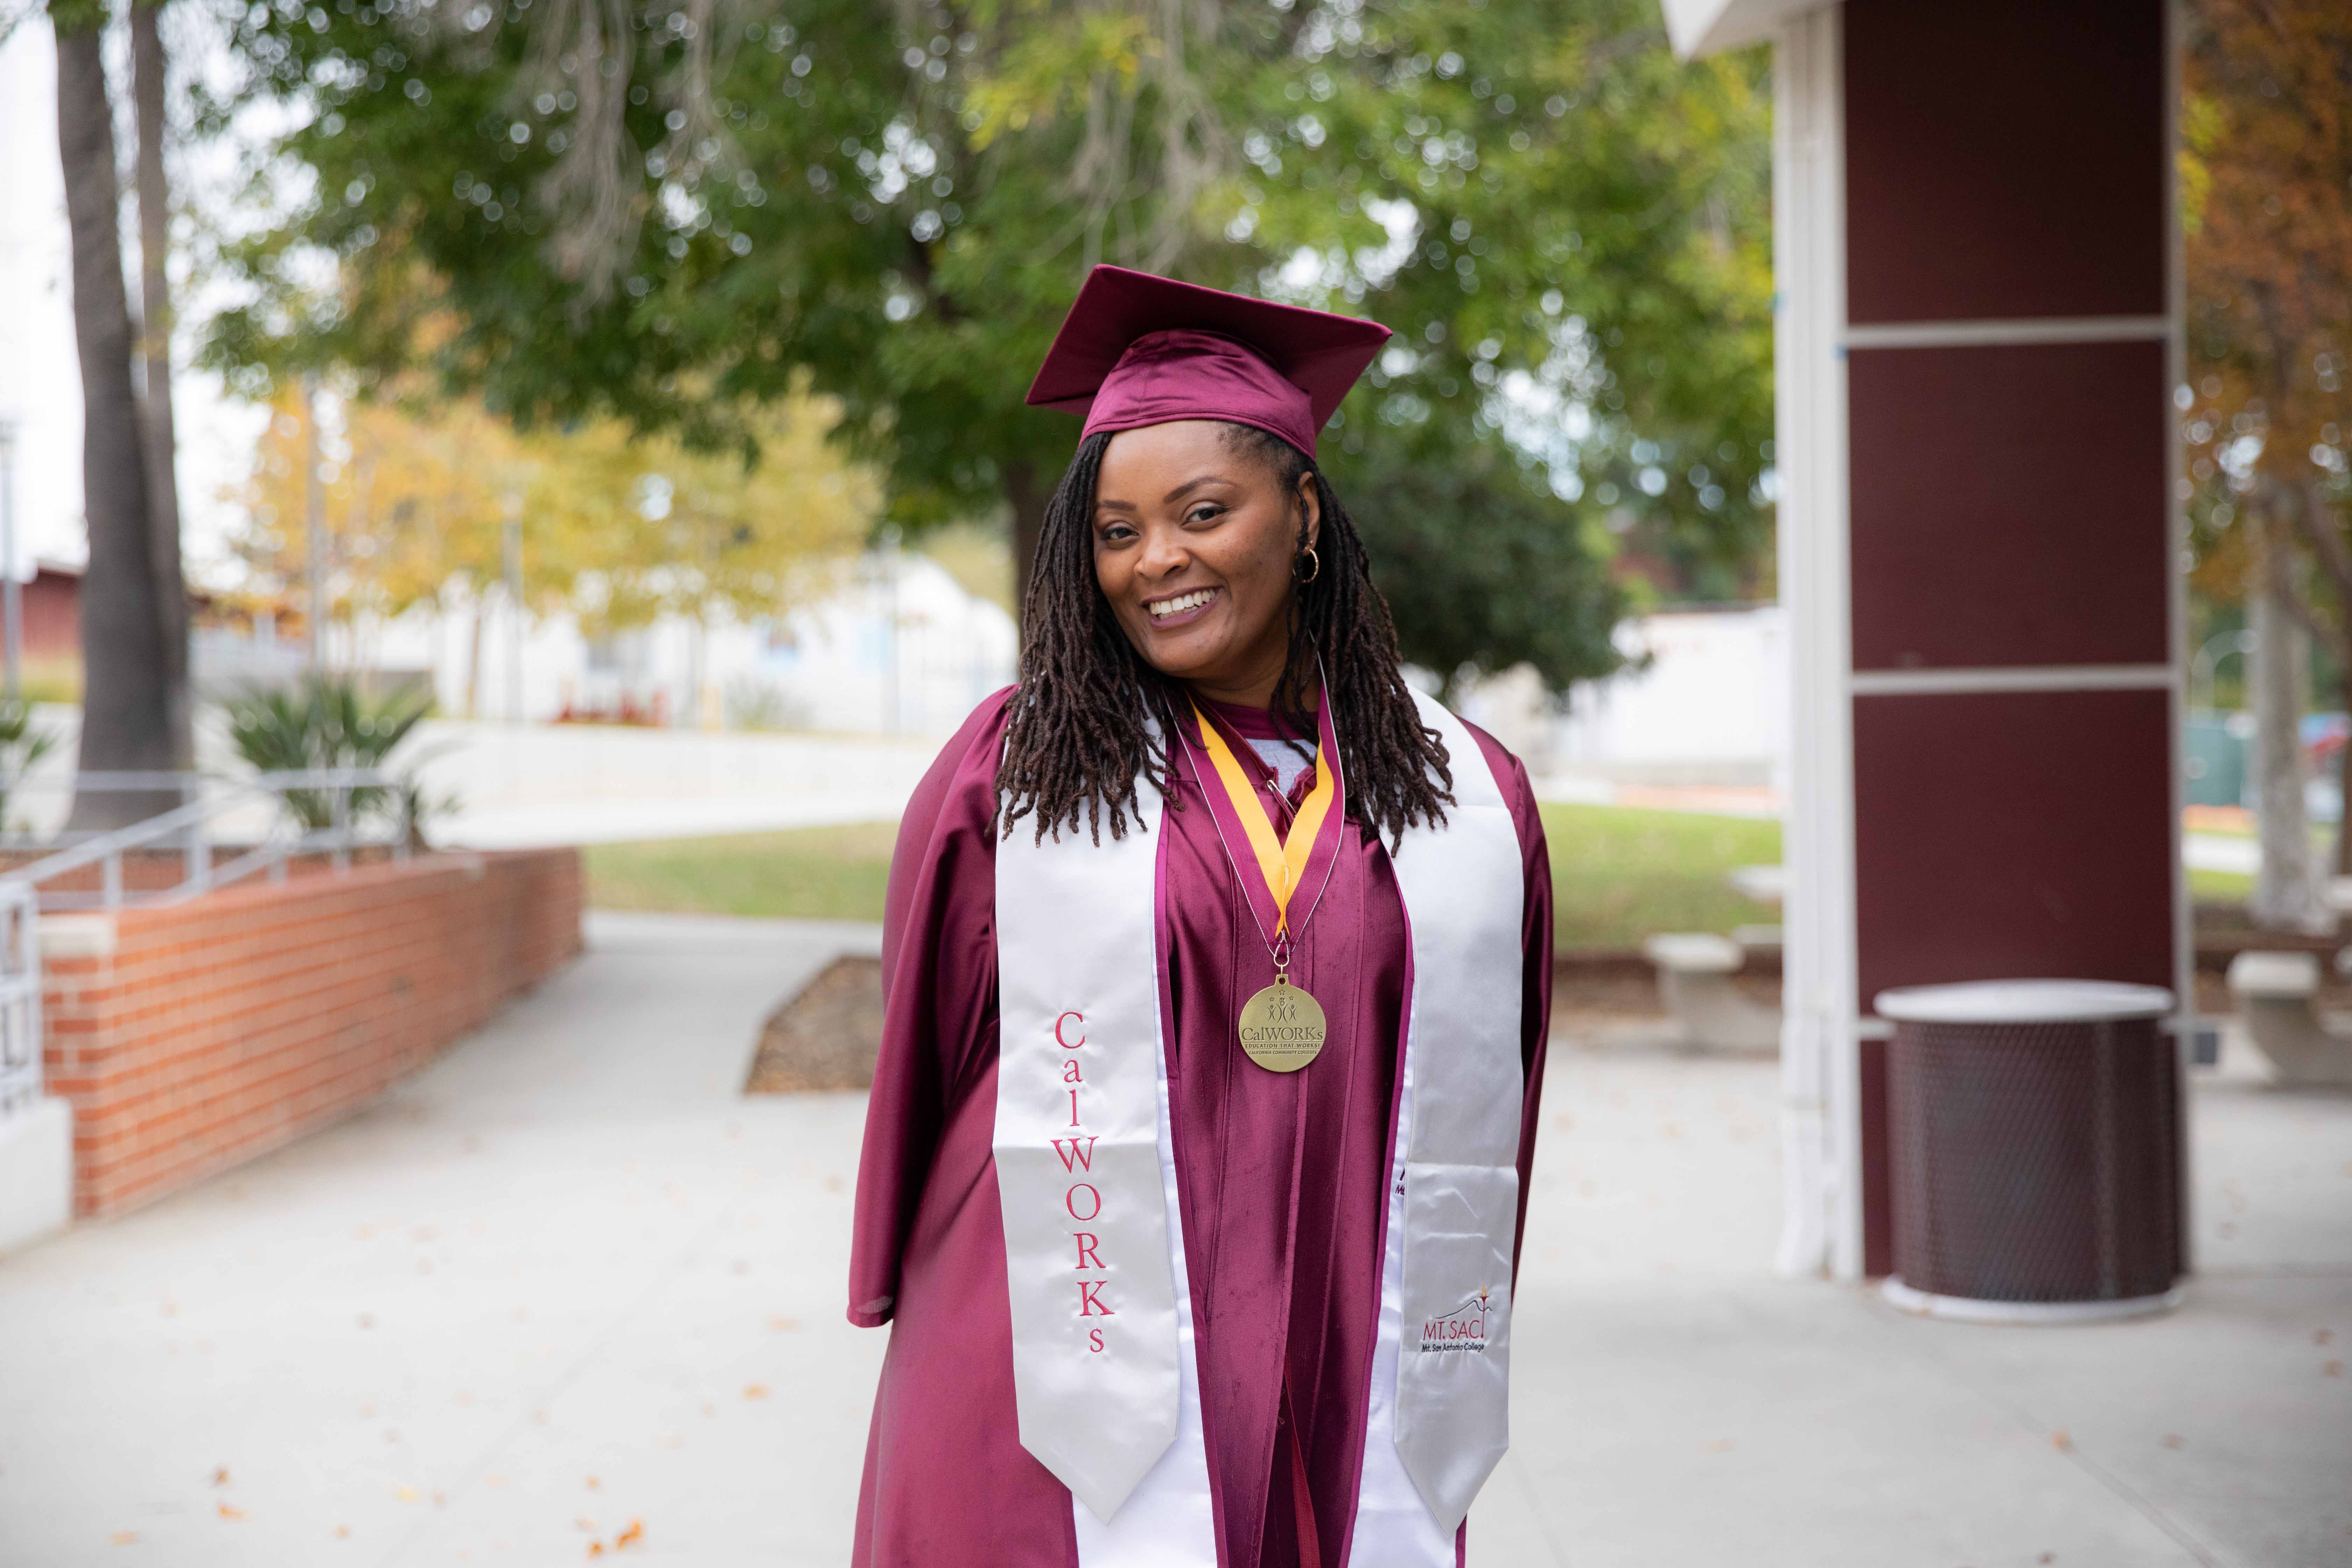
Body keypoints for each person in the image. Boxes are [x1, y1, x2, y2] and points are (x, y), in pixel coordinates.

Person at [848, 265, 1553, 1568]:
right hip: (1062, 1342)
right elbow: (926, 1051)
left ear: (1304, 517)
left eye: (1202, 511)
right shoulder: (1019, 771)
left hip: (1354, 1335)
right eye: (1116, 532)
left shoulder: (1463, 792)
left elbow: (1499, 1089)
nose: (1155, 559)